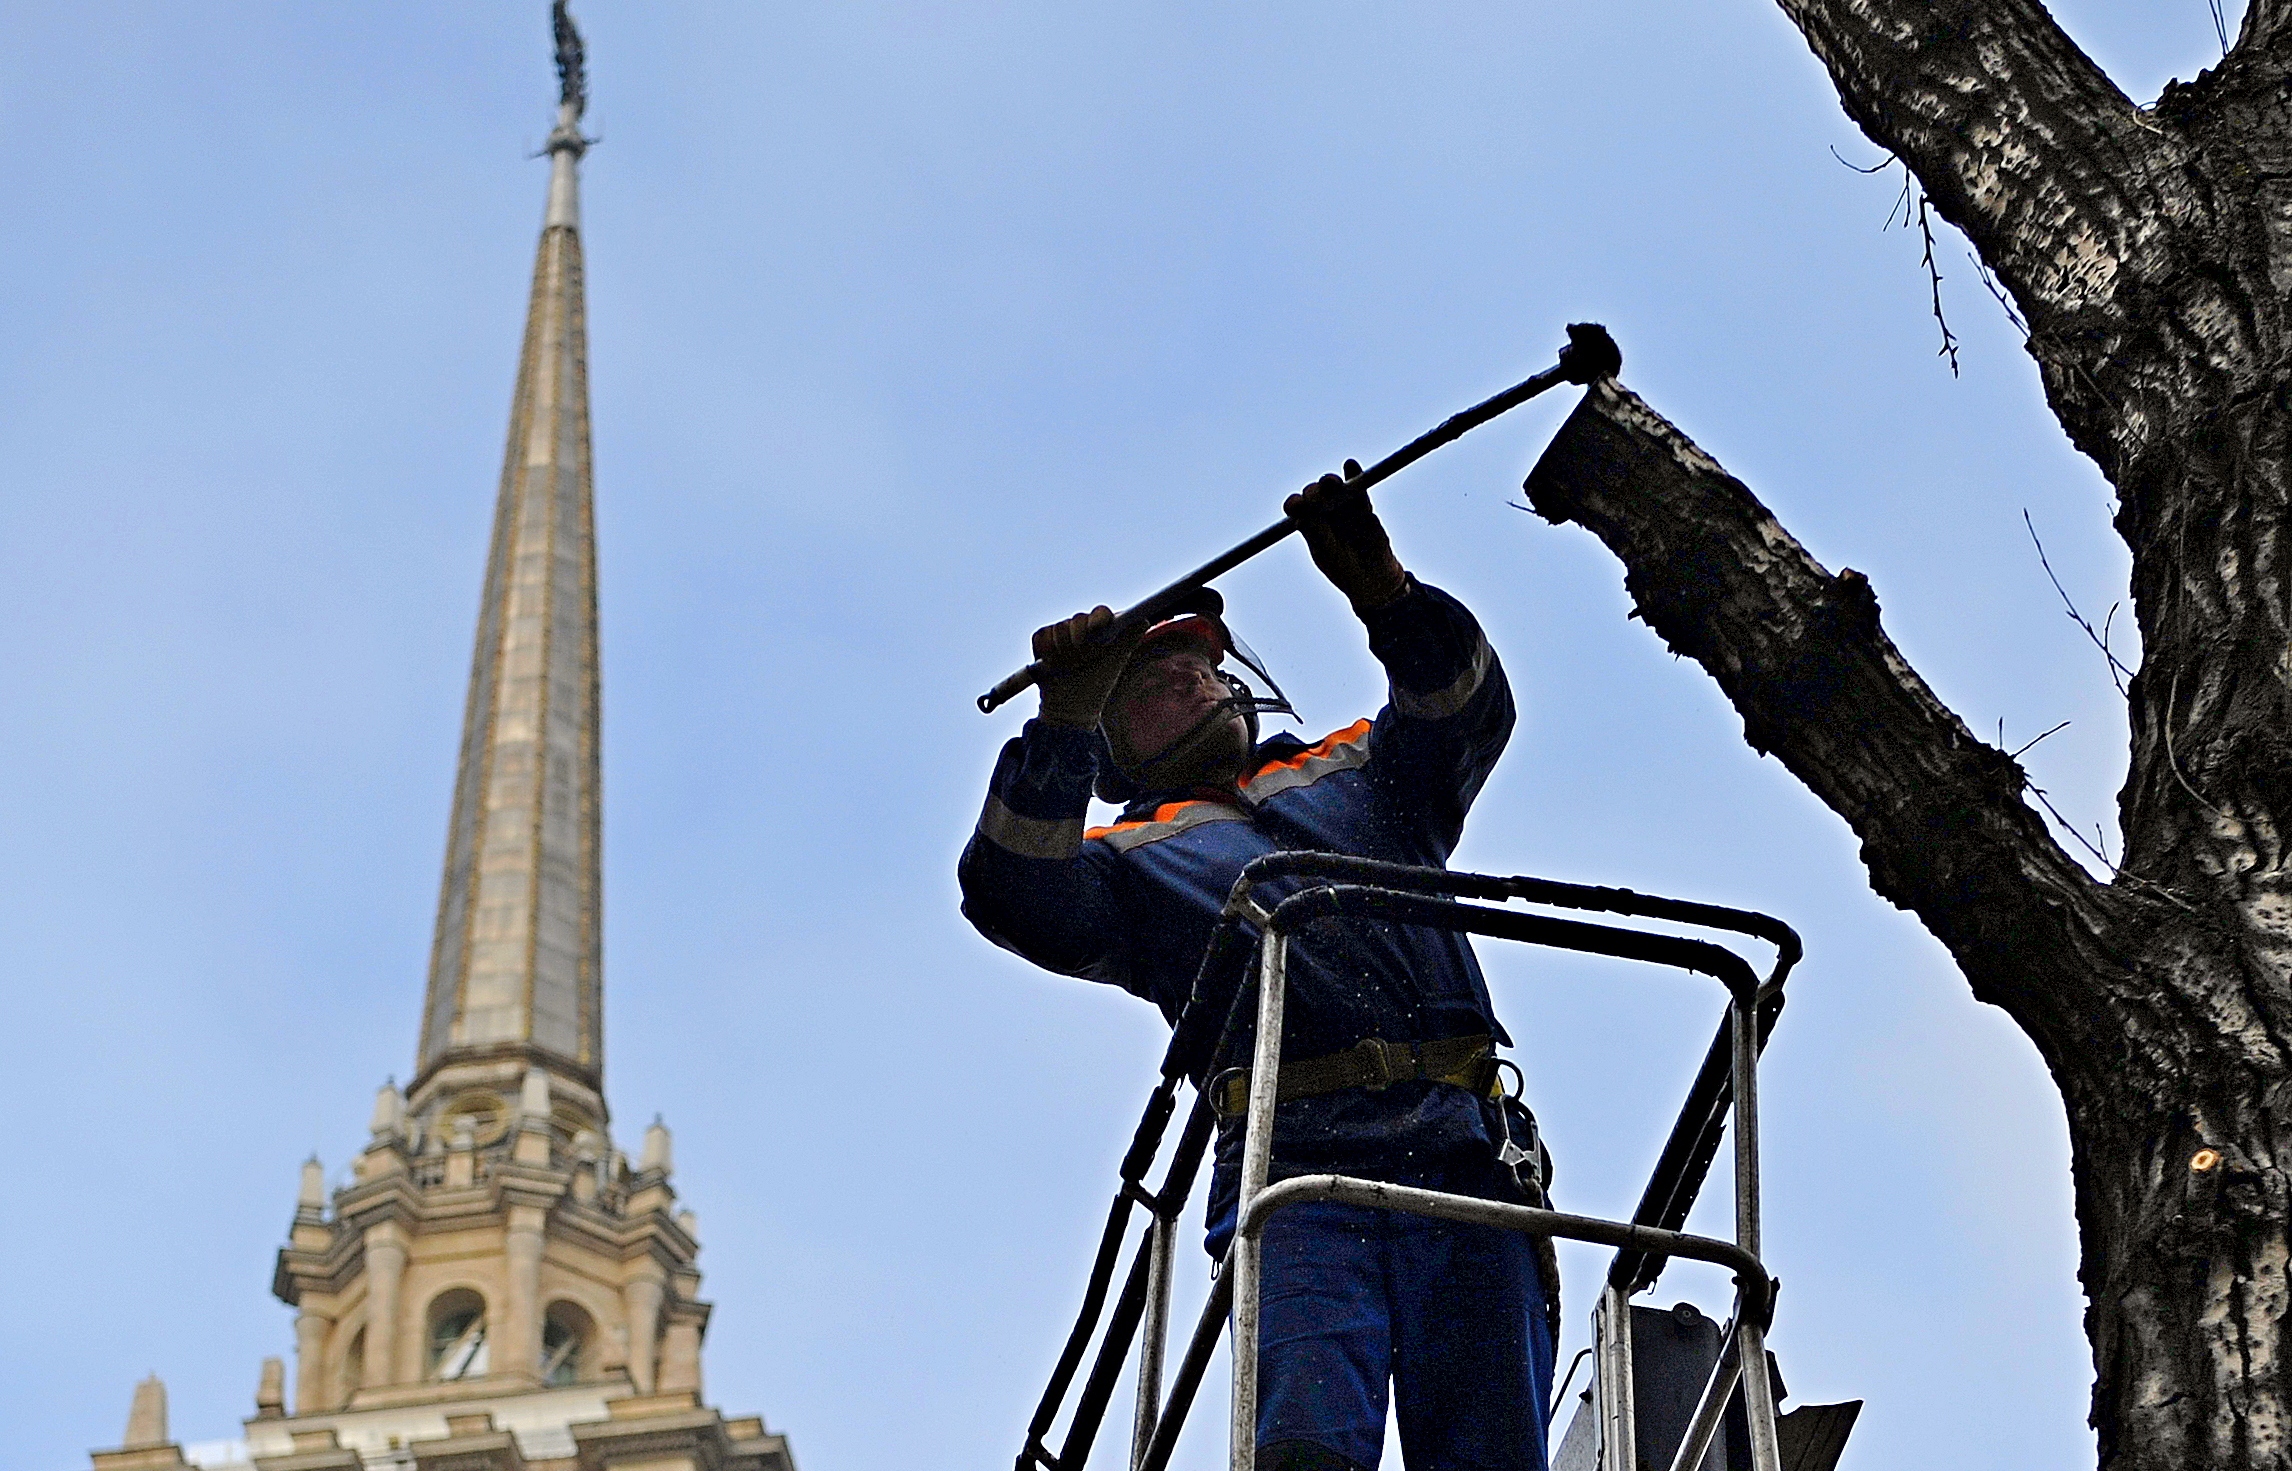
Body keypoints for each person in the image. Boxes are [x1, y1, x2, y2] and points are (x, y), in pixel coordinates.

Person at [958, 473, 1553, 1471]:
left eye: (1195, 666)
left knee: (1493, 1453)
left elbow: (1465, 706)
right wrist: (1057, 723)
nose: (1190, 683)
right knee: (1307, 1449)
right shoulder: (1129, 859)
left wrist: (1384, 591)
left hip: (1459, 1143)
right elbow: (1012, 891)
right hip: (1299, 1169)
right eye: (1148, 688)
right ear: (1113, 749)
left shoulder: (1362, 769)